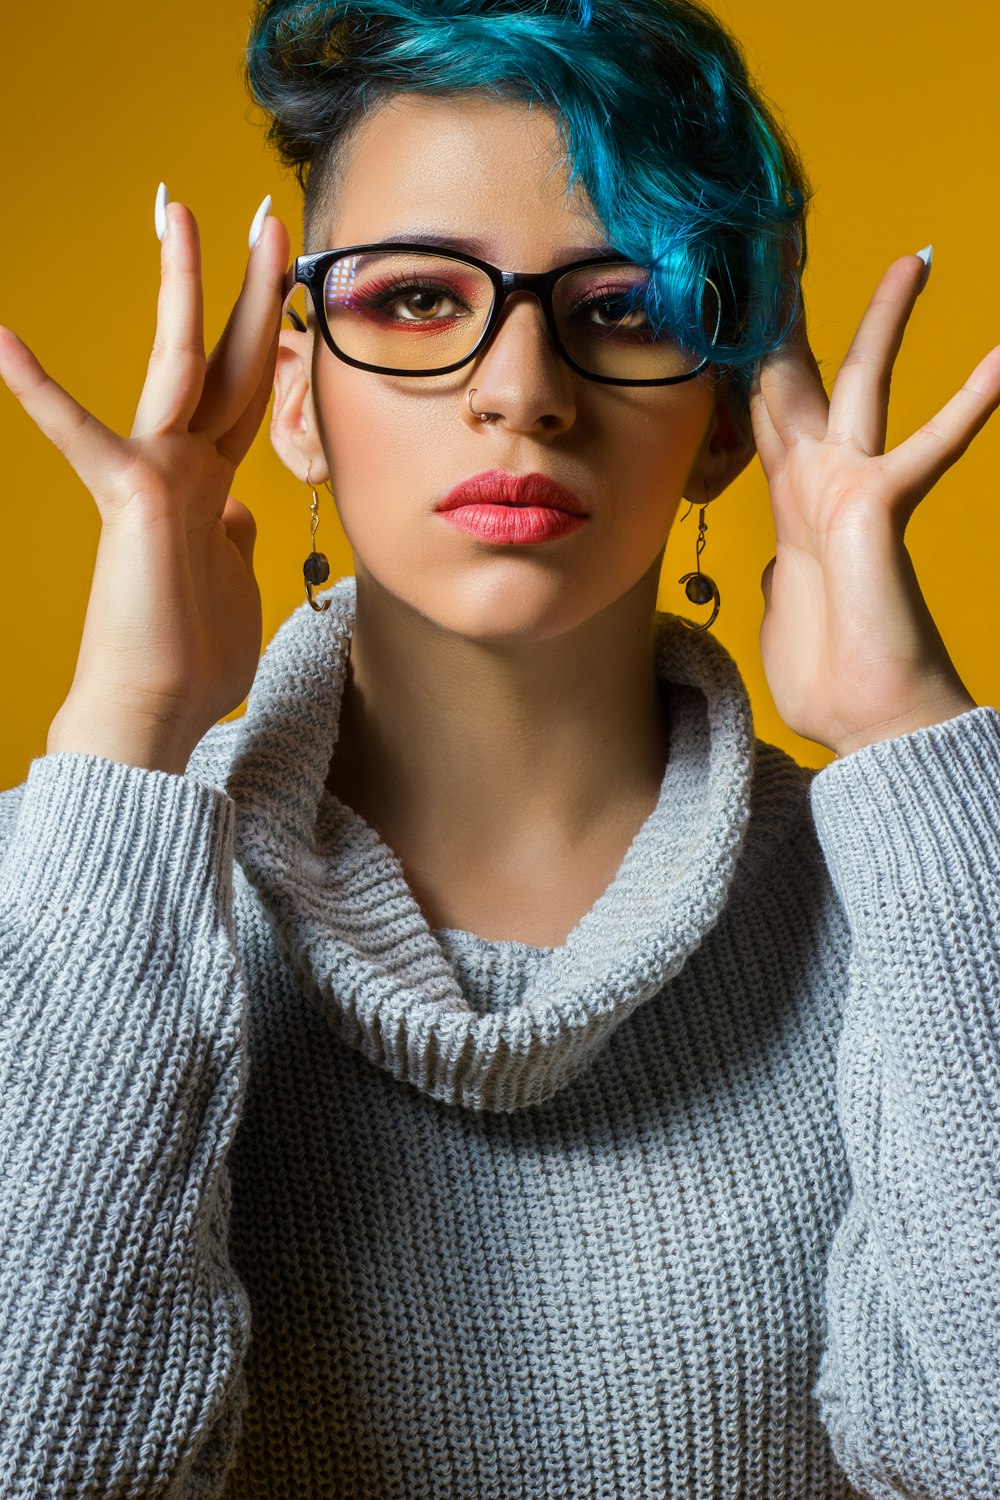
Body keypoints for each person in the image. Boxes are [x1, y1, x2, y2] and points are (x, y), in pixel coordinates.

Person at [0, 0, 998, 1494]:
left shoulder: (924, 903)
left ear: (725, 419)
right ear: (296, 403)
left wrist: (909, 733)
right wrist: (129, 740)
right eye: (414, 299)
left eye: (622, 307)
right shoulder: (62, 885)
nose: (520, 391)